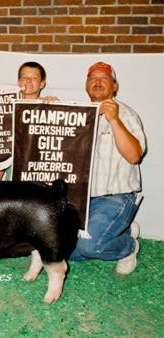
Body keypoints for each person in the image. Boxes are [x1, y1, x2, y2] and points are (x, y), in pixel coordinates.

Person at [70, 62, 146, 275]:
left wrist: (114, 120)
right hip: (82, 199)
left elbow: (134, 156)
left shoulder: (127, 115)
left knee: (89, 246)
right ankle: (123, 229)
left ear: (115, 86)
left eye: (104, 78)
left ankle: (128, 245)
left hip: (116, 197)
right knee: (63, 250)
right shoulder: (78, 114)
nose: (97, 82)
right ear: (86, 85)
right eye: (93, 78)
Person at [0, 61, 51, 180]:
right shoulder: (6, 108)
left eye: (33, 78)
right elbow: (2, 149)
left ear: (42, 84)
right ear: (18, 82)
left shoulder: (50, 109)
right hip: (12, 183)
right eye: (24, 77)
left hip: (40, 183)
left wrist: (57, 106)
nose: (28, 81)